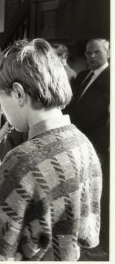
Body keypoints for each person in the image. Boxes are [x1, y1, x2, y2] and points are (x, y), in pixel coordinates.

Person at [0, 39, 101, 261]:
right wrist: (0, 181)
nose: (2, 112)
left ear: (18, 93)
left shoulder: (23, 160)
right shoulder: (83, 143)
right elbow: (83, 232)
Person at [63, 38, 109, 258]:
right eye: (88, 53)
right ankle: (79, 235)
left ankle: (99, 243)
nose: (91, 57)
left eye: (97, 52)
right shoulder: (82, 76)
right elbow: (74, 107)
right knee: (78, 190)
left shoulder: (111, 78)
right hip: (78, 140)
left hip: (98, 145)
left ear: (108, 52)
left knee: (97, 194)